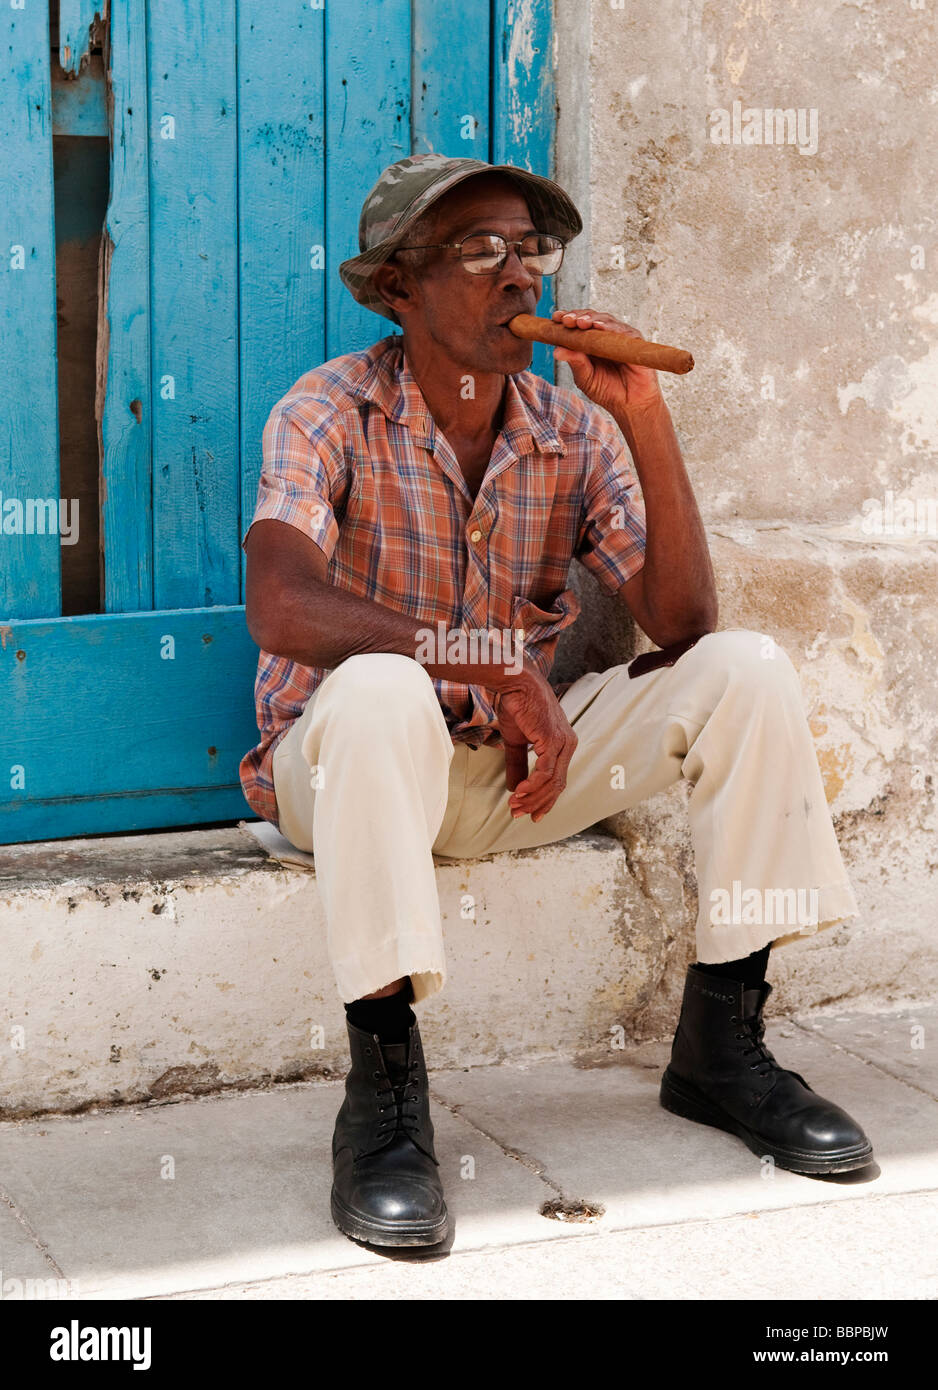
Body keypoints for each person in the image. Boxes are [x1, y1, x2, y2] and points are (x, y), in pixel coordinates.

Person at [240, 153, 873, 1249]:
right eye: (481, 251)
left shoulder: (568, 428)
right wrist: (485, 657)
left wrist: (644, 419)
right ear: (398, 284)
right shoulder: (328, 410)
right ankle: (384, 1097)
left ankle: (722, 1043)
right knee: (386, 684)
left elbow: (683, 624)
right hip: (348, 772)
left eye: (530, 250)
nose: (520, 277)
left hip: (515, 774)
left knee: (746, 669)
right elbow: (280, 602)